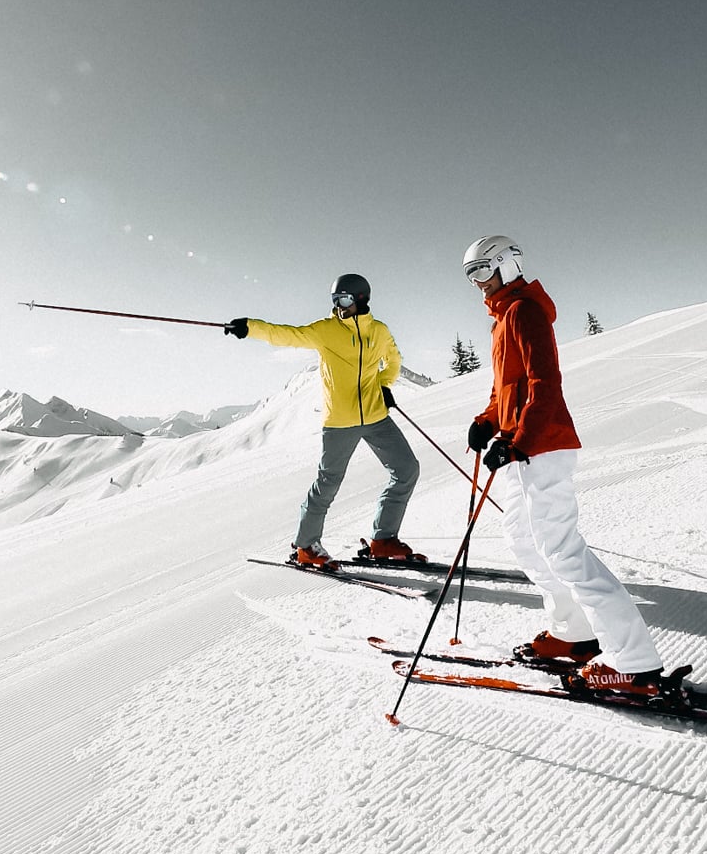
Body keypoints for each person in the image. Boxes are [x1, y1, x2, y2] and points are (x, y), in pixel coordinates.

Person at [461, 235, 668, 696]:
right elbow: (508, 390)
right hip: (520, 447)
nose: (477, 284)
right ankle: (572, 631)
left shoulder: (525, 312)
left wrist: (519, 439)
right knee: (523, 540)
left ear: (507, 265)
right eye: (470, 276)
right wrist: (486, 422)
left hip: (543, 445)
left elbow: (543, 384)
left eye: (482, 271)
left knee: (562, 549)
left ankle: (634, 662)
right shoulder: (502, 320)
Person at [225, 274, 420, 570]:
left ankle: (383, 539)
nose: (338, 307)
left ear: (361, 299)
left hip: (376, 415)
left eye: (343, 300)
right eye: (334, 301)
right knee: (327, 484)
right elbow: (287, 334)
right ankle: (305, 545)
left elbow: (393, 360)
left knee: (407, 469)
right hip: (340, 421)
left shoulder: (379, 332)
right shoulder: (326, 330)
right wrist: (251, 327)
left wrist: (384, 384)